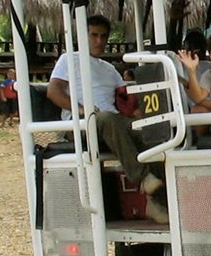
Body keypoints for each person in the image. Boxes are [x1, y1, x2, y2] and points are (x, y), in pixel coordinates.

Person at [47, 14, 168, 224]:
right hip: (82, 124)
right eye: (94, 35)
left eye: (103, 36)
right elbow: (53, 92)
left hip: (112, 122)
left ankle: (158, 201)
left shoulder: (108, 69)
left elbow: (124, 97)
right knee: (104, 118)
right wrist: (82, 109)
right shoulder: (69, 59)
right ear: (82, 35)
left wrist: (138, 112)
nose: (99, 41)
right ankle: (143, 178)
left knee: (149, 130)